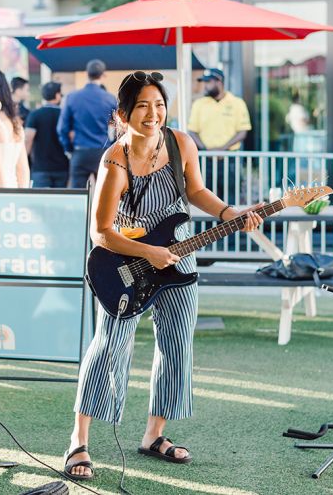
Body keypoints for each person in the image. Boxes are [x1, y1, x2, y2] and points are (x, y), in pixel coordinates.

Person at [63, 70, 262, 481]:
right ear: (122, 114)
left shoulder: (181, 142)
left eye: (159, 105)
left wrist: (230, 214)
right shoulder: (114, 161)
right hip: (127, 260)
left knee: (177, 346)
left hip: (178, 257)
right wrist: (147, 252)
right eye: (142, 106)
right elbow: (101, 232)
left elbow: (196, 191)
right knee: (109, 346)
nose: (153, 114)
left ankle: (154, 435)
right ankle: (78, 441)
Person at [188, 68, 251, 203]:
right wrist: (206, 150)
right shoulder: (199, 104)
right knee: (204, 199)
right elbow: (192, 131)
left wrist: (222, 149)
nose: (204, 86)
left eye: (208, 82)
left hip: (230, 159)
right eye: (203, 82)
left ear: (219, 82)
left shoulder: (237, 103)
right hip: (206, 159)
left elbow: (242, 131)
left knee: (231, 200)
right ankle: (209, 225)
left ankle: (230, 225)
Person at [57, 59, 117, 189]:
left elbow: (62, 128)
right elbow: (119, 127)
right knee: (105, 194)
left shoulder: (72, 97)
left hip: (80, 152)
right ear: (103, 75)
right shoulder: (110, 98)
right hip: (102, 152)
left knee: (77, 198)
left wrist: (68, 148)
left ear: (86, 74)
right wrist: (111, 146)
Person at [25, 81, 68, 188]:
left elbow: (28, 139)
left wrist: (25, 161)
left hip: (40, 168)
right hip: (62, 167)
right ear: (57, 95)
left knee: (40, 202)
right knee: (61, 201)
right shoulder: (64, 115)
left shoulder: (35, 114)